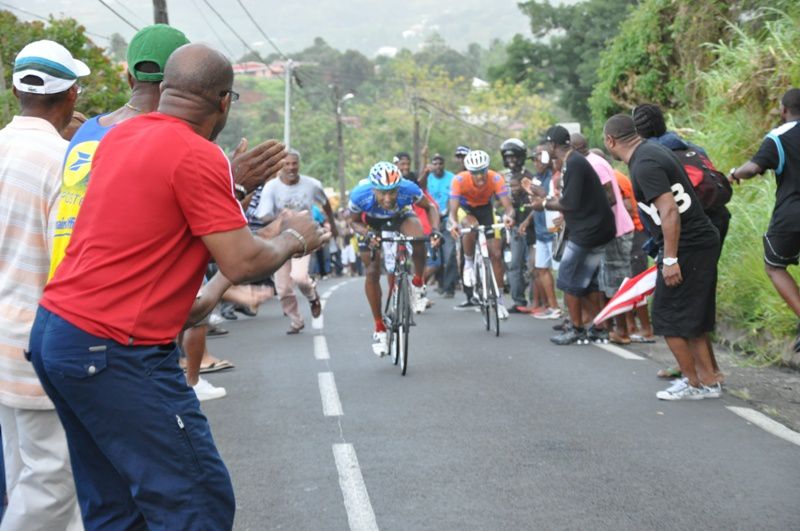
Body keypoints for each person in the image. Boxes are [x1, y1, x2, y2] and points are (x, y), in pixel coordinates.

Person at [29, 43, 329, 528]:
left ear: (161, 89)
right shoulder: (197, 153)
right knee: (198, 502)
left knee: (115, 506)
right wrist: (295, 237)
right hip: (111, 349)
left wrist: (249, 238)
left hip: (57, 337)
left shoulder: (119, 140)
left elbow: (181, 286)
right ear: (224, 102)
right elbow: (243, 259)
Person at [0, 38, 88, 531]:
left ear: (15, 88)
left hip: (1, 344)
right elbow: (67, 265)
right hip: (37, 344)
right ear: (71, 95)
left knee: (23, 475)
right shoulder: (62, 162)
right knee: (51, 484)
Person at [604, 114, 722, 400]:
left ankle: (694, 383)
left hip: (686, 245)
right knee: (691, 317)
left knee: (667, 318)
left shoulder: (644, 164)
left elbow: (669, 211)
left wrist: (670, 260)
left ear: (610, 141)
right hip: (697, 241)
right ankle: (708, 381)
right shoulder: (654, 151)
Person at [529, 126, 616, 345]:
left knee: (567, 280)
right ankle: (599, 327)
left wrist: (543, 204)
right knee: (588, 282)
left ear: (552, 146)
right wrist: (545, 198)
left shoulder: (574, 164)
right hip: (595, 229)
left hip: (588, 232)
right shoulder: (573, 161)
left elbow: (570, 203)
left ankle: (577, 328)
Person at [730, 88, 800, 353]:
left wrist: (735, 173)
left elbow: (753, 168)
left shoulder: (778, 137)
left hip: (791, 215)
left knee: (775, 266)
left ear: (783, 110)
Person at [349, 162, 441, 355]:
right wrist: (366, 234)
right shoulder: (359, 195)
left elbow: (430, 207)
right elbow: (354, 222)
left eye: (393, 192)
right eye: (382, 192)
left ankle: (417, 282)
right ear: (373, 189)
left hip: (401, 217)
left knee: (417, 237)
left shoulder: (409, 189)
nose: (388, 198)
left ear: (399, 187)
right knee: (372, 270)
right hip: (372, 224)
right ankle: (379, 328)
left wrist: (435, 231)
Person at [253, 149, 336, 333]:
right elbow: (263, 217)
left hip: (304, 238)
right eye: (287, 164)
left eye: (294, 163)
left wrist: (334, 225)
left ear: (299, 164)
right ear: (281, 166)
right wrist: (283, 218)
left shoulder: (311, 184)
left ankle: (312, 296)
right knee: (282, 288)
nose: (291, 168)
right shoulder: (272, 187)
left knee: (299, 277)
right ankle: (296, 320)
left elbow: (326, 203)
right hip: (280, 240)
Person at [633, 103, 731, 248]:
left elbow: (652, 211)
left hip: (693, 228)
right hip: (720, 215)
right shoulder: (690, 147)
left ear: (638, 132)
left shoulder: (649, 162)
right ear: (663, 122)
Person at [448, 149, 515, 319]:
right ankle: (469, 263)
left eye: (482, 172)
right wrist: (454, 223)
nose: (479, 177)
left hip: (486, 209)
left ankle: (499, 303)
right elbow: (453, 211)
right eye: (475, 173)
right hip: (466, 209)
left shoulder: (495, 178)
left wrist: (508, 217)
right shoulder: (459, 180)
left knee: (496, 255)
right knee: (472, 226)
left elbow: (509, 208)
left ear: (487, 169)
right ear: (469, 171)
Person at [524, 144, 561, 320]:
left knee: (560, 270)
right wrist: (527, 220)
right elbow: (537, 202)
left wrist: (540, 193)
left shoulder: (552, 177)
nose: (536, 163)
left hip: (553, 229)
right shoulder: (536, 178)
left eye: (538, 159)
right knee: (541, 269)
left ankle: (565, 308)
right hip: (540, 230)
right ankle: (553, 307)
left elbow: (551, 198)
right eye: (534, 160)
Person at [501, 138, 536, 313]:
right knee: (514, 265)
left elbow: (537, 203)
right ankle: (518, 300)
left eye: (514, 157)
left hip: (532, 228)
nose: (511, 161)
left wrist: (527, 220)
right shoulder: (504, 178)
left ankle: (535, 301)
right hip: (513, 228)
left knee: (534, 267)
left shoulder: (529, 176)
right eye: (508, 158)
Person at [421, 153, 457, 297]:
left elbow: (453, 197)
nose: (437, 166)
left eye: (440, 163)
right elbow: (421, 192)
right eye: (434, 163)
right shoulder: (428, 178)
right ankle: (441, 284)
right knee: (437, 256)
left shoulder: (452, 178)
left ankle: (449, 288)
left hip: (447, 220)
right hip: (431, 221)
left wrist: (447, 212)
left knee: (450, 254)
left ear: (444, 164)